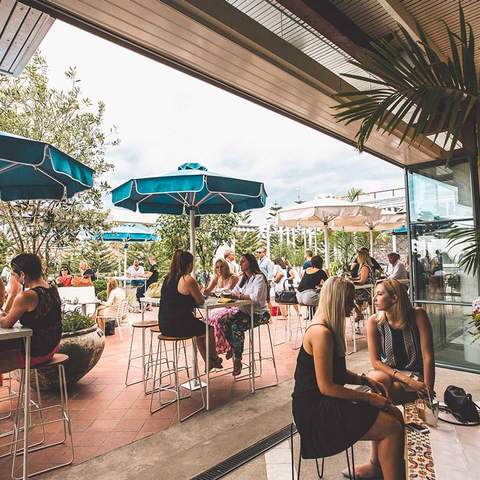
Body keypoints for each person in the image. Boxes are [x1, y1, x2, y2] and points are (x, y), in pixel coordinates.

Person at [292, 277, 405, 480]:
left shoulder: (328, 329)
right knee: (392, 428)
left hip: (325, 402)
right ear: (337, 301)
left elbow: (336, 374)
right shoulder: (321, 333)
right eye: (349, 301)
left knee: (395, 413)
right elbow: (327, 386)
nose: (353, 306)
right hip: (314, 412)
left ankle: (379, 469)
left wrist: (365, 381)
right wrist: (370, 398)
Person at [357, 278, 434, 479]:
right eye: (375, 293)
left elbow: (428, 355)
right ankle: (381, 461)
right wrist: (405, 381)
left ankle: (380, 463)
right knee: (376, 379)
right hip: (393, 376)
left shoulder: (418, 316)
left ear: (395, 297)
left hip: (415, 375)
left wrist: (427, 389)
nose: (375, 298)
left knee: (381, 402)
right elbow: (375, 361)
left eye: (380, 293)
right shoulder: (374, 321)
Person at [158, 250, 222, 368]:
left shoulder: (168, 278)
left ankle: (209, 362)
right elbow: (200, 301)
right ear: (189, 264)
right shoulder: (187, 279)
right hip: (178, 324)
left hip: (164, 324)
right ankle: (214, 358)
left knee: (200, 330)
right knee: (209, 330)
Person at [0, 254, 62, 373]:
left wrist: (2, 317)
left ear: (22, 274)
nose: (13, 277)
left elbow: (6, 324)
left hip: (36, 353)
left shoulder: (26, 296)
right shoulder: (53, 288)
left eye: (13, 274)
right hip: (52, 347)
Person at [225, 253, 270, 376]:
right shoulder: (243, 278)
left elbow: (255, 299)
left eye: (243, 261)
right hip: (246, 312)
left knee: (236, 327)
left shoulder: (259, 277)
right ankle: (233, 347)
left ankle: (237, 359)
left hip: (260, 313)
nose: (240, 263)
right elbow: (234, 292)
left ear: (250, 262)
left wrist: (238, 296)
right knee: (224, 321)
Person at [352, 249, 375, 323]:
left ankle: (358, 314)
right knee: (349, 297)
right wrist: (352, 279)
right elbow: (360, 278)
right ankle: (358, 314)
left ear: (361, 257)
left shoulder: (365, 267)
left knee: (347, 297)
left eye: (358, 257)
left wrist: (352, 282)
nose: (357, 259)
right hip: (364, 290)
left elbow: (362, 281)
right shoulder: (363, 267)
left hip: (367, 292)